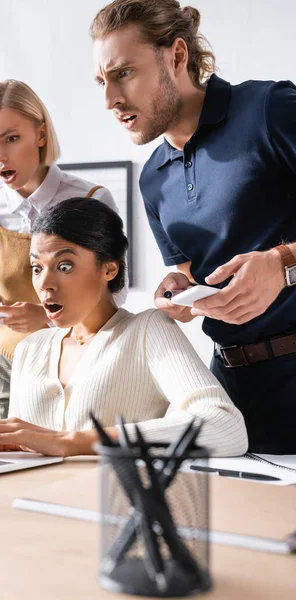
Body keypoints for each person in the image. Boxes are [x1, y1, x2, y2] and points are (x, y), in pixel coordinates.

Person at [90, 0, 296, 454]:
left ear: (177, 56)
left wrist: (283, 264)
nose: (110, 99)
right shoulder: (152, 180)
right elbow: (193, 278)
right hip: (228, 393)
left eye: (124, 73)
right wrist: (180, 293)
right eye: (102, 81)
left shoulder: (270, 109)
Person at [0, 198, 247, 459]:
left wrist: (71, 442)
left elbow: (226, 427)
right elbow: (19, 450)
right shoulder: (30, 347)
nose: (44, 283)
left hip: (109, 510)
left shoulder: (146, 331)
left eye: (64, 266)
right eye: (36, 268)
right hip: (28, 510)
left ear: (109, 268)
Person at [0, 79, 125, 420]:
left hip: (72, 365)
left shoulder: (90, 200)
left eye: (11, 139)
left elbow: (116, 294)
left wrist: (45, 317)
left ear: (40, 135)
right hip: (6, 363)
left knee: (63, 468)